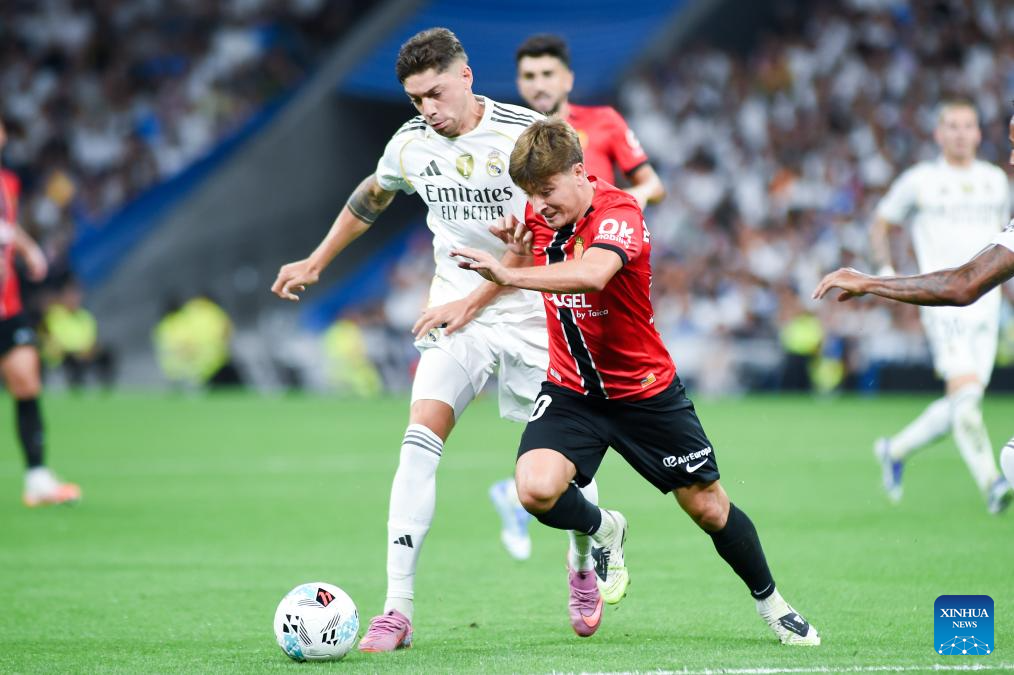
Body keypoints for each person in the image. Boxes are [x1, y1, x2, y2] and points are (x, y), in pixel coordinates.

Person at [271, 28, 599, 650]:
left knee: (565, 468)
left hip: (533, 312)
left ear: (466, 76)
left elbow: (563, 224)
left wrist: (497, 273)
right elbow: (372, 193)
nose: (428, 109)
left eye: (436, 93)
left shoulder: (524, 136)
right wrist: (317, 260)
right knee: (419, 441)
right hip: (455, 315)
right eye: (416, 99)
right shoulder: (411, 144)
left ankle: (584, 560)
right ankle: (397, 609)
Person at [452, 118, 820, 644]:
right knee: (534, 489)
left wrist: (511, 273)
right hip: (572, 391)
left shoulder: (620, 213)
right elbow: (528, 255)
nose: (538, 203)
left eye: (547, 190)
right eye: (530, 193)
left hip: (644, 393)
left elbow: (592, 274)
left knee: (708, 508)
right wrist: (488, 283)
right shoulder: (540, 215)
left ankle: (774, 606)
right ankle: (606, 527)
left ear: (579, 172)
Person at [487, 34, 667, 560]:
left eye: (548, 74)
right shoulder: (515, 139)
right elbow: (525, 223)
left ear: (567, 78)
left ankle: (577, 555)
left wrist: (614, 213)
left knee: (595, 399)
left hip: (605, 272)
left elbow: (652, 184)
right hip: (548, 281)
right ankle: (564, 528)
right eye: (529, 76)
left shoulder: (603, 122)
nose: (539, 84)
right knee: (563, 412)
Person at [813, 111, 1014, 512]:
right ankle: (991, 483)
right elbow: (885, 226)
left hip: (977, 297)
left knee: (967, 402)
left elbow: (968, 280)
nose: (1012, 158)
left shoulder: (995, 180)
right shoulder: (920, 180)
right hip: (947, 300)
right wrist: (885, 272)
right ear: (938, 134)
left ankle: (896, 449)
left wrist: (871, 282)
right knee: (967, 398)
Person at [0, 120, 80, 507]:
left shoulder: (7, 182)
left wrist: (29, 249)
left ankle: (37, 478)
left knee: (27, 379)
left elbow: (7, 227)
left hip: (7, 306)